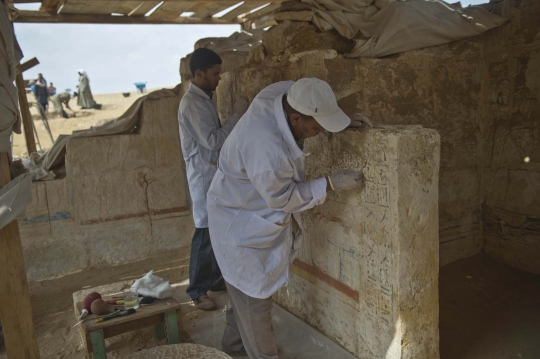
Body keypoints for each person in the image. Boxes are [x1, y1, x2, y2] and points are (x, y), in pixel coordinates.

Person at [207, 78, 373, 358]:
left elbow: (311, 95)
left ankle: (233, 348)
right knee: (254, 303)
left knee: (242, 296)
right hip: (240, 219)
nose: (320, 132)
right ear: (295, 118)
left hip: (244, 200)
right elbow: (283, 198)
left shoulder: (282, 93)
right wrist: (330, 184)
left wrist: (338, 120)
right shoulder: (266, 149)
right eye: (317, 128)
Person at [178, 48, 249, 311]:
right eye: (215, 73)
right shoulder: (193, 104)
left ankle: (216, 279)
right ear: (199, 73)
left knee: (217, 228)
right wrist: (237, 116)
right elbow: (214, 140)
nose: (219, 78)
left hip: (212, 175)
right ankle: (196, 290)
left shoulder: (204, 97)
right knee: (205, 232)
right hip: (203, 177)